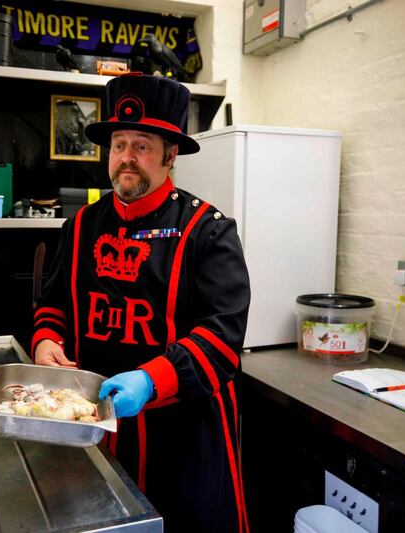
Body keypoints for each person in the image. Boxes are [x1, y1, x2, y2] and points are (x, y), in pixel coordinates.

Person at [32, 73, 251, 533]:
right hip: (93, 428)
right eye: (119, 144)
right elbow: (52, 303)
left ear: (171, 155)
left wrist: (153, 380)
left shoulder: (208, 231)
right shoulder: (79, 226)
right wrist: (47, 339)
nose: (127, 157)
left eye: (142, 145)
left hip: (184, 436)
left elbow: (223, 338)